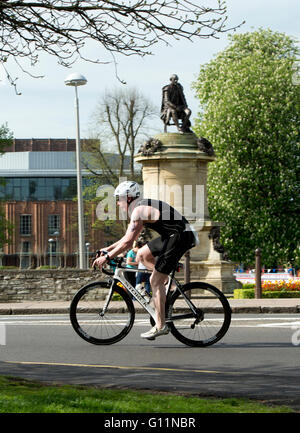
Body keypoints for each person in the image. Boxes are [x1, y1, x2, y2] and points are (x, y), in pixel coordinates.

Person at [93, 180, 198, 340]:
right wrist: (107, 250)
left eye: (119, 199)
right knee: (141, 254)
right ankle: (166, 282)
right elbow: (126, 238)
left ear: (128, 198)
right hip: (173, 235)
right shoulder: (139, 208)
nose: (117, 203)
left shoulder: (138, 210)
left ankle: (161, 325)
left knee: (154, 280)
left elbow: (128, 243)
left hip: (180, 236)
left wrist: (107, 257)